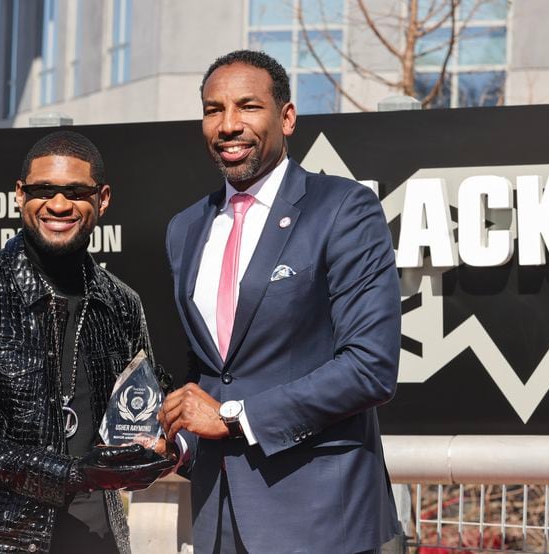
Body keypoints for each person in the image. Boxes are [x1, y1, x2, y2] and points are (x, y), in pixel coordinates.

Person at [159, 50, 402, 553]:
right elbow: (208, 367)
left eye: (248, 107)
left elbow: (370, 367)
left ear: (286, 117)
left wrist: (231, 417)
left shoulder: (342, 208)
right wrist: (176, 435)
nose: (228, 125)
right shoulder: (185, 228)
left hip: (319, 519)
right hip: (216, 518)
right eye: (213, 109)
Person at [0, 130, 173, 554]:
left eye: (76, 191)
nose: (58, 204)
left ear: (102, 199)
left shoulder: (121, 302)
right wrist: (67, 472)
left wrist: (163, 444)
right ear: (20, 195)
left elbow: (146, 402)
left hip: (95, 537)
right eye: (43, 190)